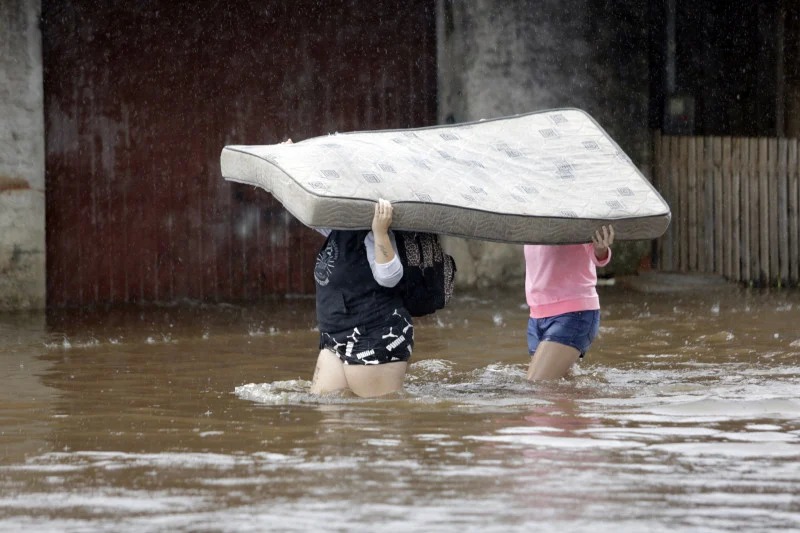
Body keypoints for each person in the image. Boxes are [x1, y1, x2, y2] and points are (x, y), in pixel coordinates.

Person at [309, 197, 414, 397]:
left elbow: (390, 277)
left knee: (374, 419)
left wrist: (381, 232)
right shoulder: (340, 224)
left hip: (374, 333)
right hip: (335, 336)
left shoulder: (373, 225)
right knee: (326, 410)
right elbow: (311, 216)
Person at [523, 225, 615, 380]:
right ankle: (597, 401)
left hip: (573, 313)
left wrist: (601, 249)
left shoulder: (573, 209)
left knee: (536, 386)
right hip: (537, 315)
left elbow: (597, 253)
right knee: (559, 390)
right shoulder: (532, 211)